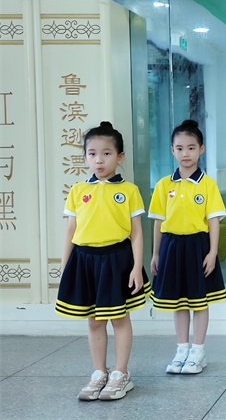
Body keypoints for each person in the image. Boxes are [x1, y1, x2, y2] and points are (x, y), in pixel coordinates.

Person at [55, 121, 149, 401]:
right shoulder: (77, 190)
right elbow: (71, 231)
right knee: (95, 321)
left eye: (106, 153)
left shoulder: (129, 191)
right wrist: (65, 265)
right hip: (85, 261)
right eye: (92, 153)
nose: (99, 160)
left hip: (117, 260)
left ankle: (121, 374)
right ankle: (99, 372)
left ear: (120, 157)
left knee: (119, 318)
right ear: (85, 157)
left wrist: (136, 267)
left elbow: (136, 233)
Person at [149, 120, 226, 374]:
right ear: (172, 150)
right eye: (180, 148)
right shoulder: (164, 185)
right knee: (178, 302)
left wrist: (212, 252)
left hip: (198, 247)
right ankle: (182, 349)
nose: (186, 153)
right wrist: (156, 253)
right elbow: (158, 222)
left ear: (201, 149)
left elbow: (213, 221)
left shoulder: (208, 184)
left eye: (191, 148)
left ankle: (198, 351)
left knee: (199, 301)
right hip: (171, 247)